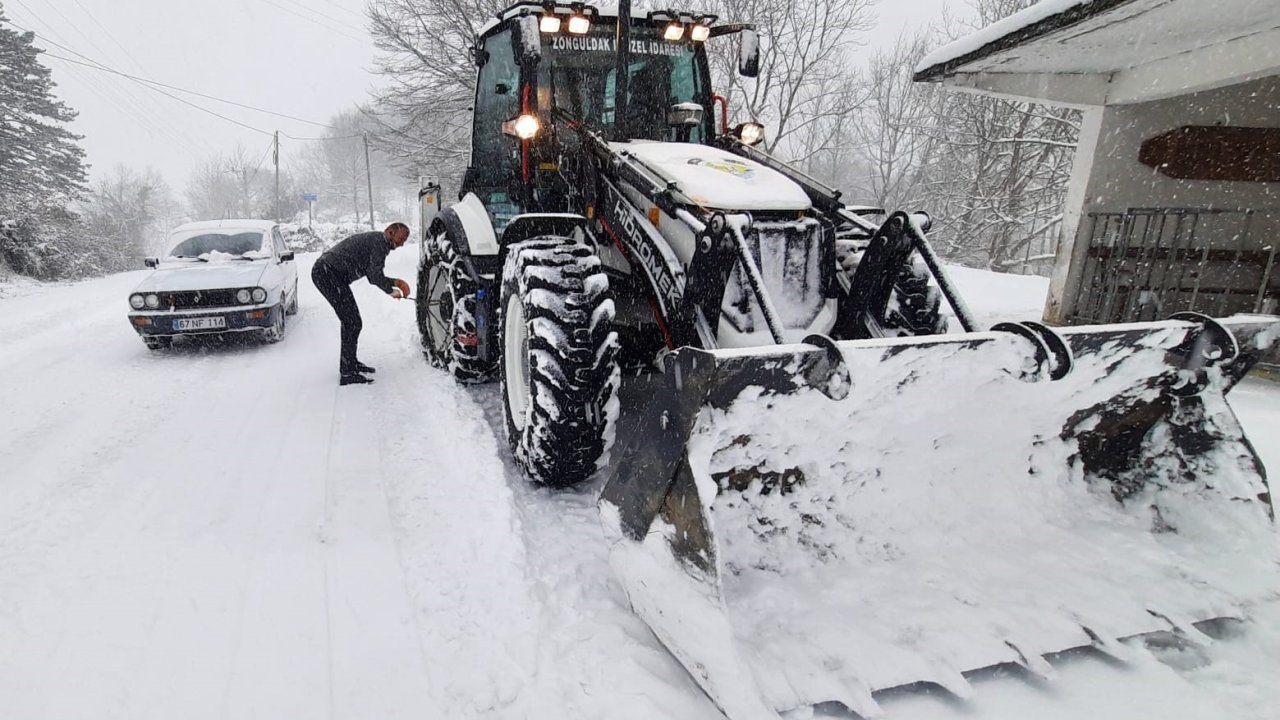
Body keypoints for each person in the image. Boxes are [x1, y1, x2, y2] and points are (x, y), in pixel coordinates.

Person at [311, 222, 412, 386]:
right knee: (352, 322)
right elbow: (374, 275)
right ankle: (347, 372)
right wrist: (394, 287)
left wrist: (393, 285)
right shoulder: (380, 243)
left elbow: (373, 273)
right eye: (400, 239)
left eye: (404, 241)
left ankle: (351, 363)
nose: (401, 244)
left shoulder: (378, 241)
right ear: (390, 232)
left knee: (353, 321)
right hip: (327, 273)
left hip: (328, 272)